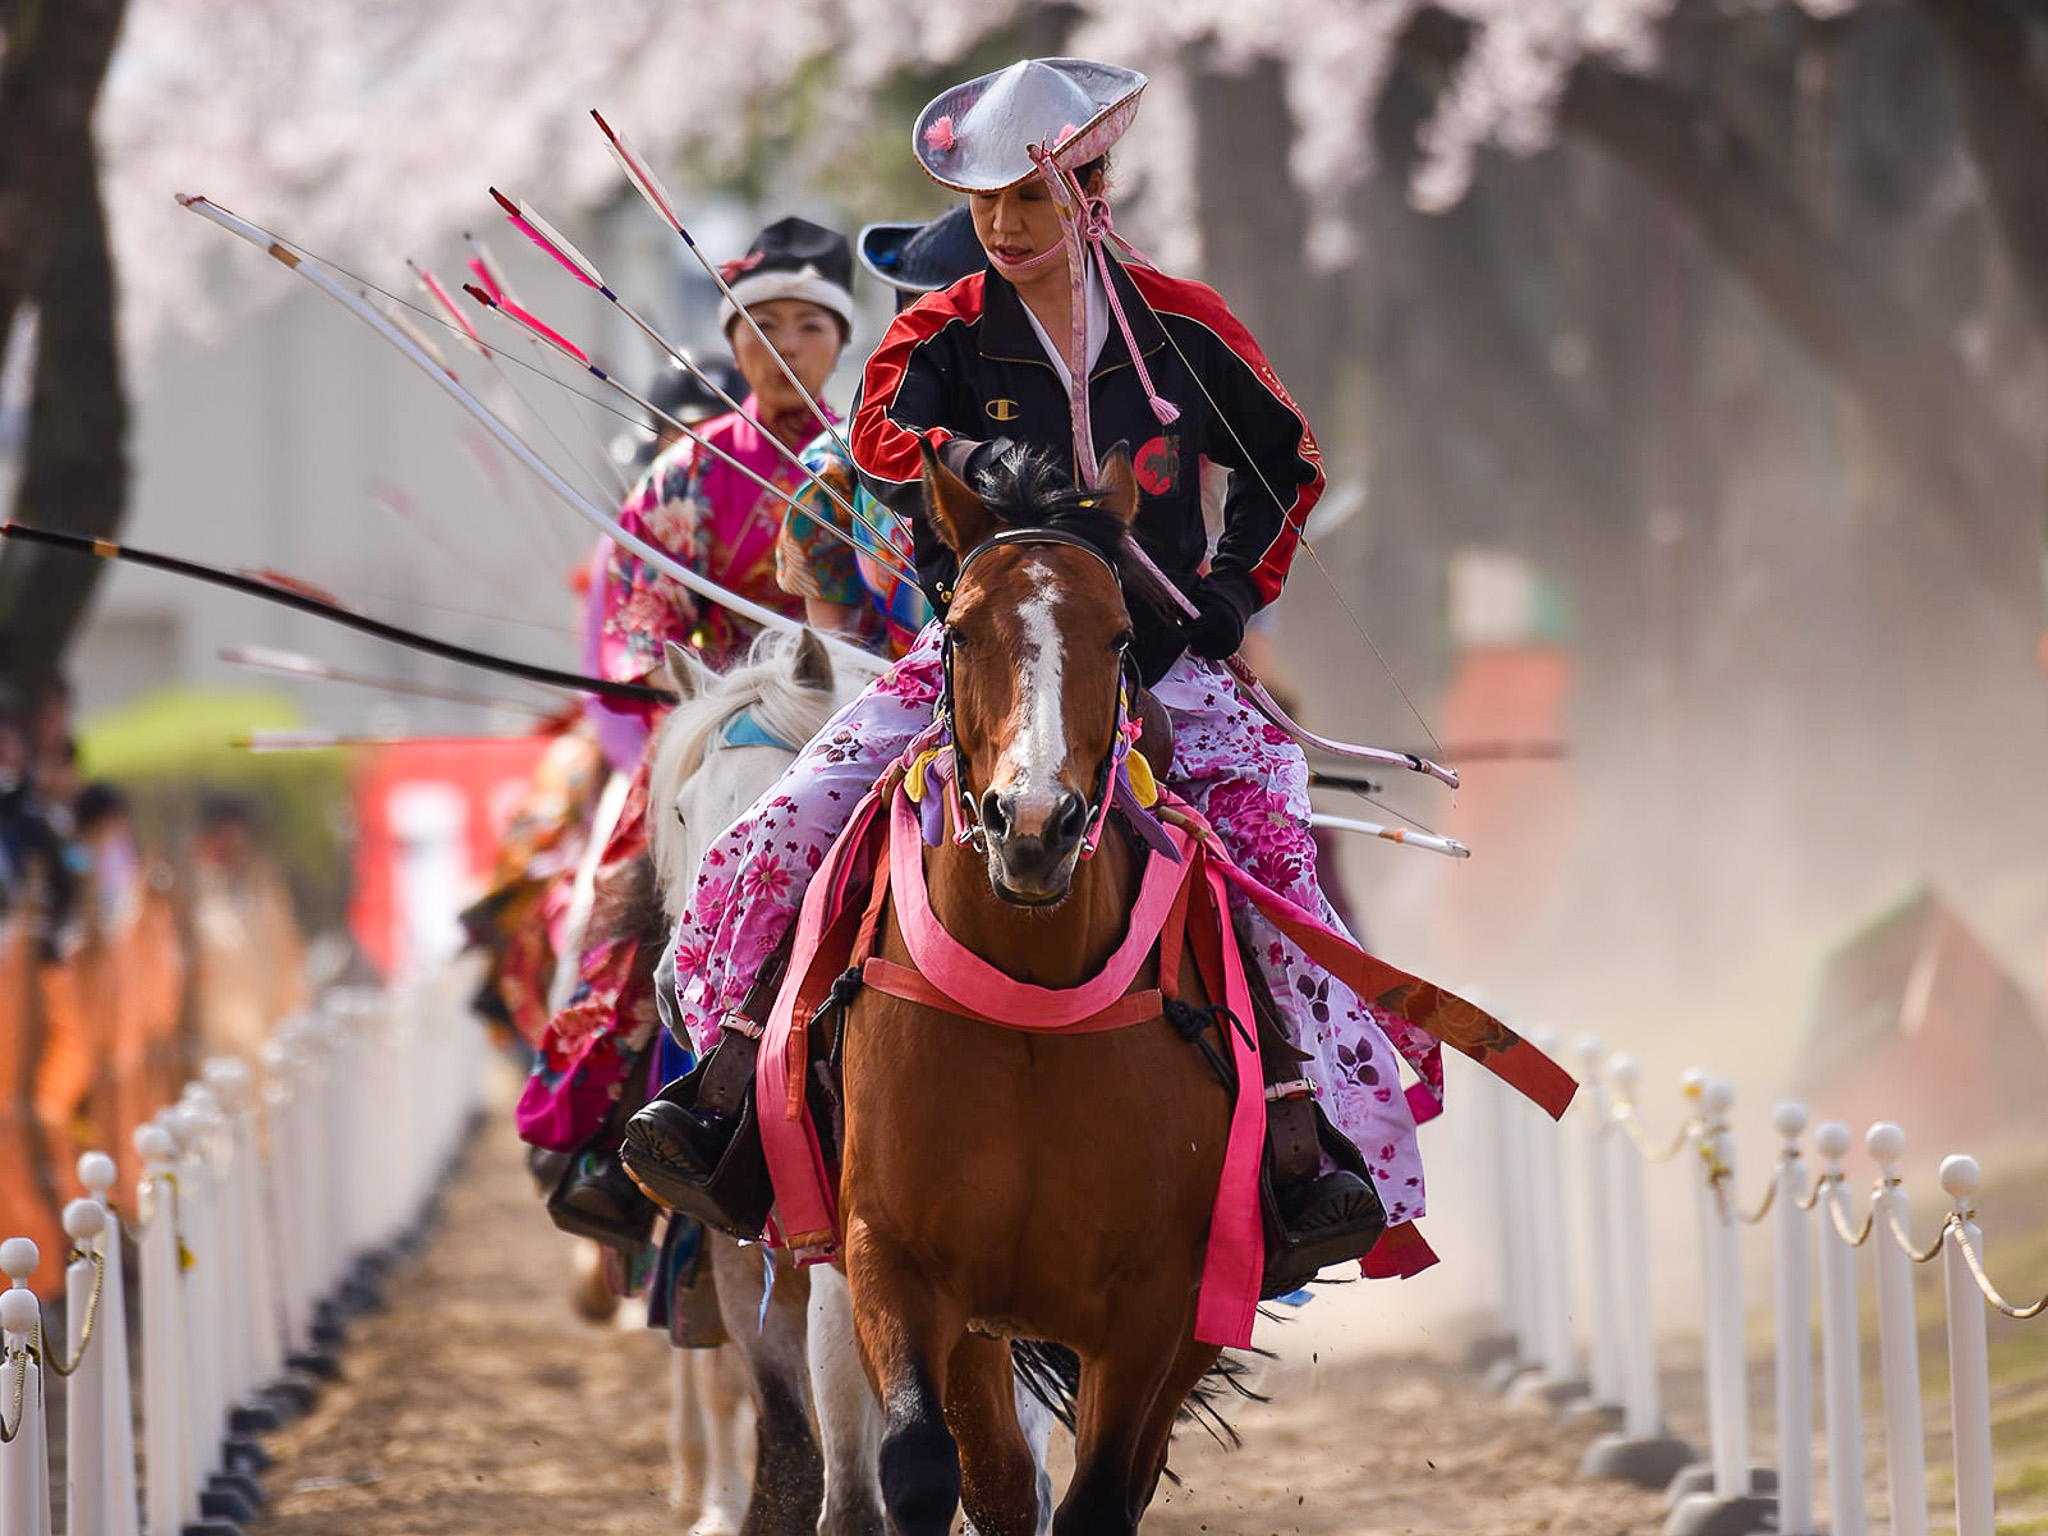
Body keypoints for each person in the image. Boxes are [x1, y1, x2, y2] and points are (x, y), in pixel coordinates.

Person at [629, 59, 1409, 1284]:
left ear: (1089, 194)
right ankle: (727, 1080)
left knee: (1272, 849)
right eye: (984, 203)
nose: (999, 226)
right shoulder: (939, 330)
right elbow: (882, 437)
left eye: (1027, 201)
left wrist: (1227, 593)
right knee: (789, 818)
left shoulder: (1186, 325)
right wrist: (960, 464)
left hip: (1154, 664)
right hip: (976, 663)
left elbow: (1286, 467)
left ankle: (1309, 1145)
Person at [518, 215, 856, 1247]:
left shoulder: (876, 467)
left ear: (841, 340)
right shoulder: (681, 477)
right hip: (716, 728)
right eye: (760, 323)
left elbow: (911, 613)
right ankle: (607, 1141)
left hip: (854, 717)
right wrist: (689, 692)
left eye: (808, 323)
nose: (784, 343)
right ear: (732, 340)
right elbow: (639, 624)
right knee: (623, 896)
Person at [775, 205, 984, 655]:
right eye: (922, 321)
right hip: (900, 693)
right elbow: (838, 656)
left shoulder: (1067, 441)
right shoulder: (837, 464)